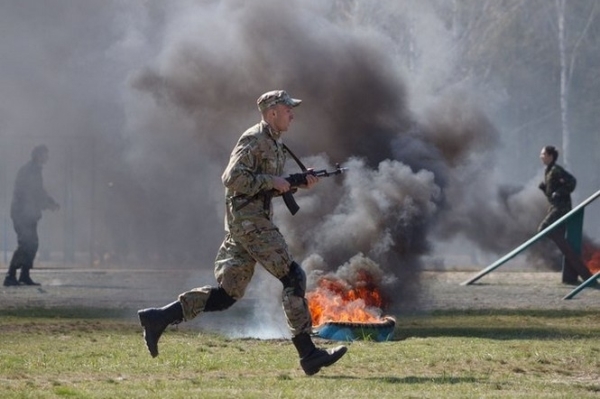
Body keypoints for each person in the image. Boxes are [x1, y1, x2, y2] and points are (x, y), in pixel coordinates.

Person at [137, 90, 347, 376]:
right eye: (288, 109)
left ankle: (159, 317)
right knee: (293, 276)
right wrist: (272, 180)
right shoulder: (254, 139)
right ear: (272, 112)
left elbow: (264, 186)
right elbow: (232, 178)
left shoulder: (275, 143)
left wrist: (295, 183)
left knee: (226, 296)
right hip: (249, 223)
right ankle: (308, 353)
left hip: (246, 223)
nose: (292, 114)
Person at [3, 145, 60, 287]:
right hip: (22, 214)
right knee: (26, 244)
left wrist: (49, 202)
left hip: (28, 214)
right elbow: (32, 193)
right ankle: (11, 276)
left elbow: (38, 192)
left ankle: (24, 275)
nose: (47, 157)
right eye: (45, 154)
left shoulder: (34, 170)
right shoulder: (30, 170)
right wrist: (48, 204)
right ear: (37, 155)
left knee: (31, 244)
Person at [537, 145, 592, 285]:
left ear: (550, 156)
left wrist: (559, 192)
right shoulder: (548, 170)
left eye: (543, 154)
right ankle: (570, 275)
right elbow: (552, 193)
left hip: (561, 208)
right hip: (555, 206)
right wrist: (545, 190)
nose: (541, 156)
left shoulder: (556, 170)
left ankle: (572, 257)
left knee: (544, 229)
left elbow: (572, 182)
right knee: (557, 233)